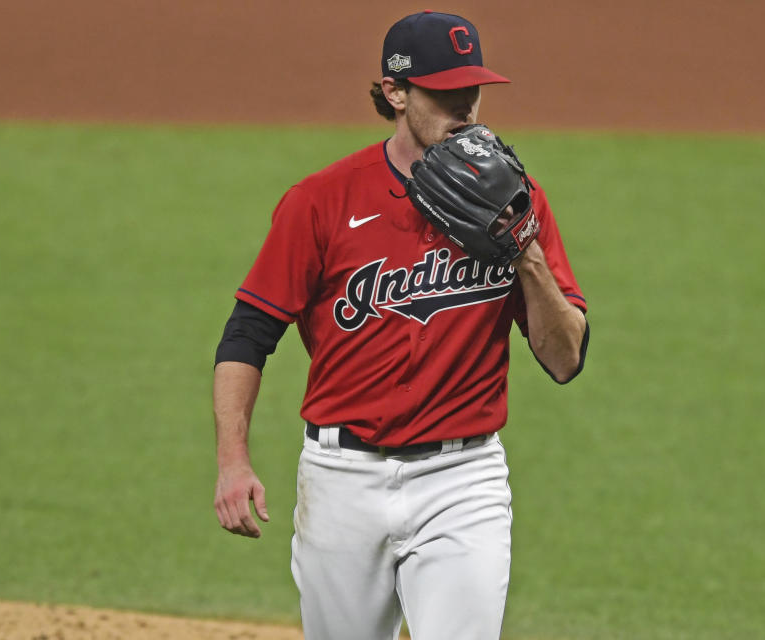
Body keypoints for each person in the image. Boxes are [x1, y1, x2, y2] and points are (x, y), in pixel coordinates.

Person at [213, 10, 589, 640]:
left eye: (471, 92)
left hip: (462, 480)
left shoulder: (518, 200)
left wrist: (525, 252)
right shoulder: (322, 201)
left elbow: (565, 360)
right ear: (395, 93)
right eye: (444, 93)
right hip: (340, 480)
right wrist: (233, 460)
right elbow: (248, 335)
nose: (464, 108)